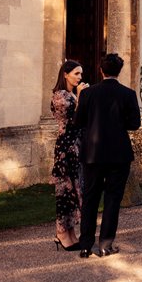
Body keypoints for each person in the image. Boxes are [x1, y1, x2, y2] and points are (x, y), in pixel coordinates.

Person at [74, 53, 141, 257]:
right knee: (113, 199)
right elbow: (135, 124)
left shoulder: (87, 94)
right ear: (118, 71)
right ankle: (105, 244)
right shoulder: (128, 94)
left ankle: (85, 244)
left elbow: (78, 122)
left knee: (91, 197)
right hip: (118, 153)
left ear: (101, 70)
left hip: (93, 153)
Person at [51, 59, 88, 251]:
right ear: (65, 74)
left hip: (77, 146)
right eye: (76, 73)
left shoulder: (72, 95)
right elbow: (74, 122)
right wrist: (81, 96)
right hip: (66, 148)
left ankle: (71, 233)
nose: (80, 77)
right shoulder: (60, 96)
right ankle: (61, 233)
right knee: (65, 191)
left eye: (81, 74)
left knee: (75, 190)